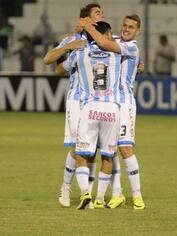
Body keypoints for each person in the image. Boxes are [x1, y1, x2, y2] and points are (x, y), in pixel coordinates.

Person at [80, 14, 146, 210]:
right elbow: (100, 40)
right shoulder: (114, 39)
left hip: (124, 103)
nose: (126, 29)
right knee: (110, 149)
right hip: (110, 104)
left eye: (131, 27)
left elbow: (102, 42)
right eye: (124, 25)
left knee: (125, 149)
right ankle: (116, 194)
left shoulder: (132, 47)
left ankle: (138, 197)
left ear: (138, 31)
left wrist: (87, 25)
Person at [43, 3, 104, 208]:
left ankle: (86, 192)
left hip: (99, 101)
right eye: (97, 13)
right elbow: (49, 61)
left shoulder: (104, 37)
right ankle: (70, 189)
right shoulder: (74, 40)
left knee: (92, 150)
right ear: (85, 19)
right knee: (79, 149)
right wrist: (69, 45)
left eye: (101, 12)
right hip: (77, 100)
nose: (101, 15)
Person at [57, 21, 121, 209]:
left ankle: (86, 193)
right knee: (108, 156)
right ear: (106, 34)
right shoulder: (117, 52)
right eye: (110, 33)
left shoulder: (80, 52)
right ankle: (100, 198)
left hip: (89, 107)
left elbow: (61, 68)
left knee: (82, 153)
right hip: (111, 108)